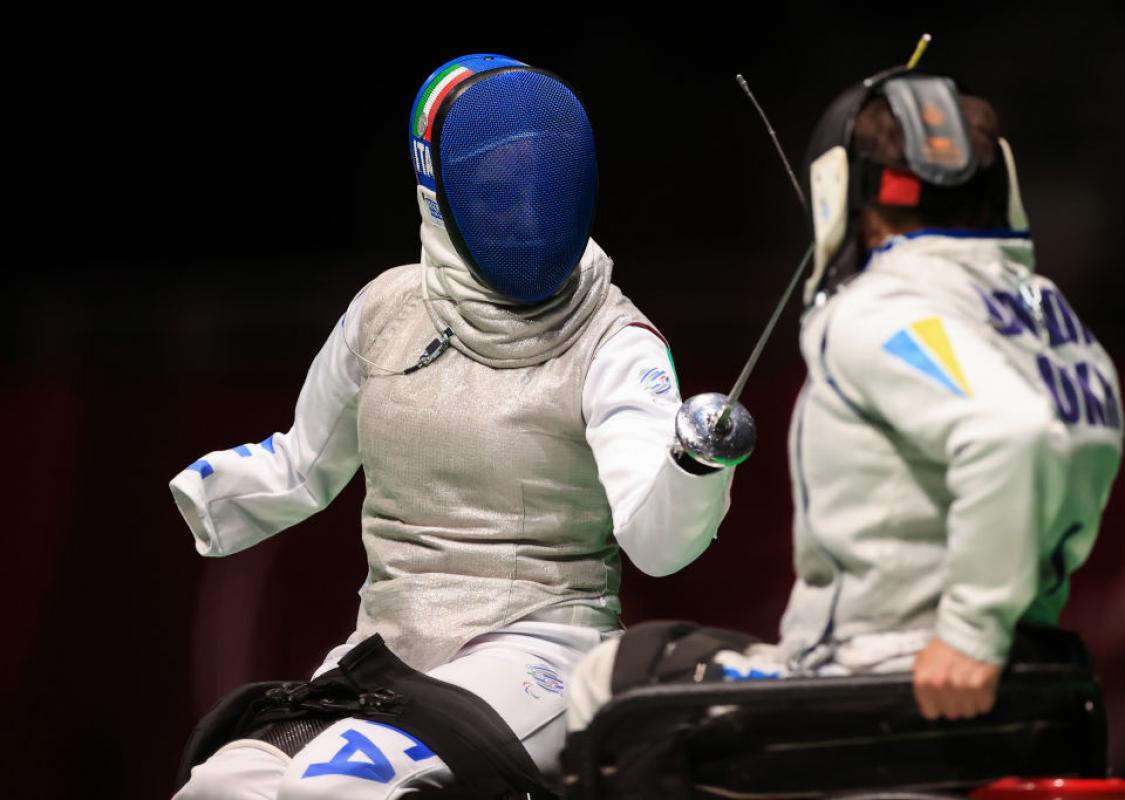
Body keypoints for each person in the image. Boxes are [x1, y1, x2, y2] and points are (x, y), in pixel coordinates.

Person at [170, 53, 750, 799]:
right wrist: (207, 493)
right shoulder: (386, 311)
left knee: (333, 788)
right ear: (438, 194)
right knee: (223, 788)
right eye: (500, 194)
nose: (532, 216)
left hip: (542, 649)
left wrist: (695, 466)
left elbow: (658, 542)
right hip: (386, 649)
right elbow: (300, 461)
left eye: (548, 191)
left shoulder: (614, 340)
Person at [566, 66, 1124, 731]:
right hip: (1036, 665)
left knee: (613, 679)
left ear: (843, 190)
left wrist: (970, 633)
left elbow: (1014, 432)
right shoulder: (1046, 312)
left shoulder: (879, 310)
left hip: (880, 677)